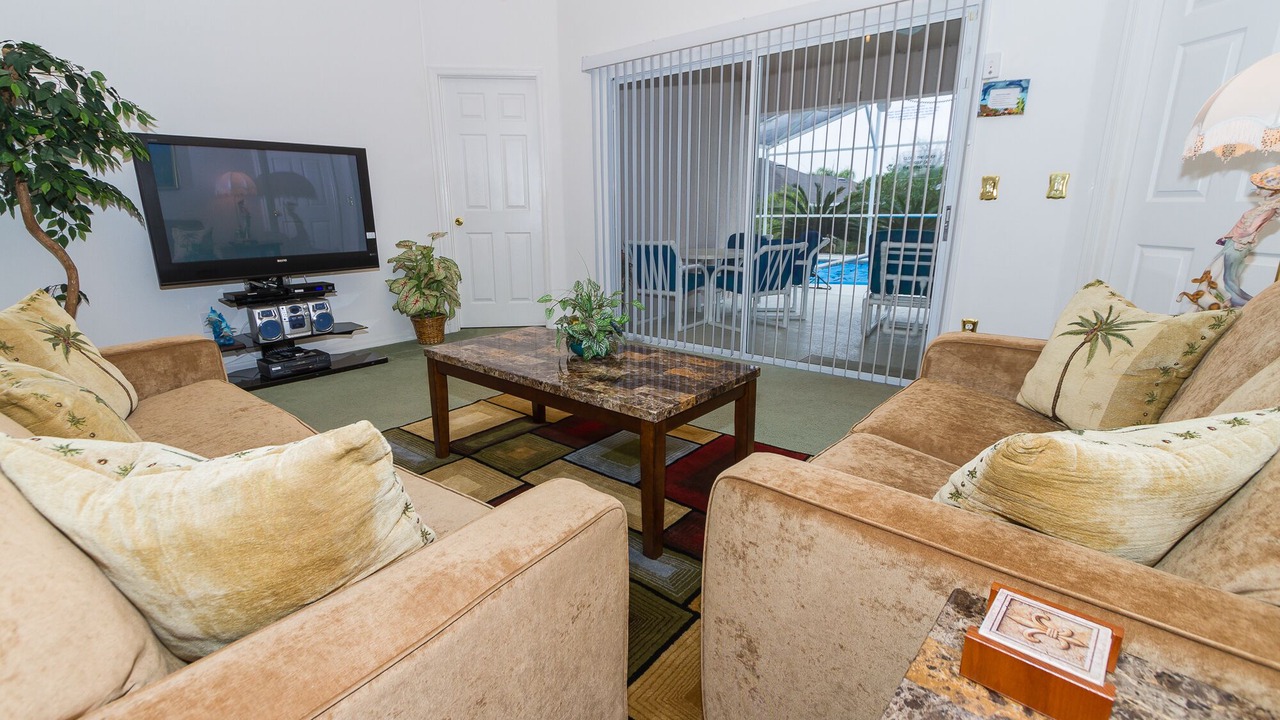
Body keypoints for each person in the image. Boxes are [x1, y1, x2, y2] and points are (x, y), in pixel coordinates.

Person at [1179, 167, 1280, 310]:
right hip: (1234, 241)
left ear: (1274, 190)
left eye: (1261, 188)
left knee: (1224, 279)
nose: (1257, 191)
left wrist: (1239, 235)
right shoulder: (1265, 206)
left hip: (1239, 244)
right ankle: (1208, 301)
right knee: (1213, 273)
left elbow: (1252, 228)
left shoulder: (1269, 209)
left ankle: (1245, 305)